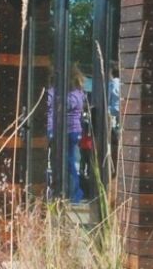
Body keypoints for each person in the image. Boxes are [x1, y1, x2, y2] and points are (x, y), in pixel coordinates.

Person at [67, 65, 86, 203]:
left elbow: (65, 107)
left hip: (69, 130)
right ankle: (75, 192)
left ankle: (76, 193)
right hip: (76, 130)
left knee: (69, 162)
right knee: (71, 160)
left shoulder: (72, 95)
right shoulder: (80, 93)